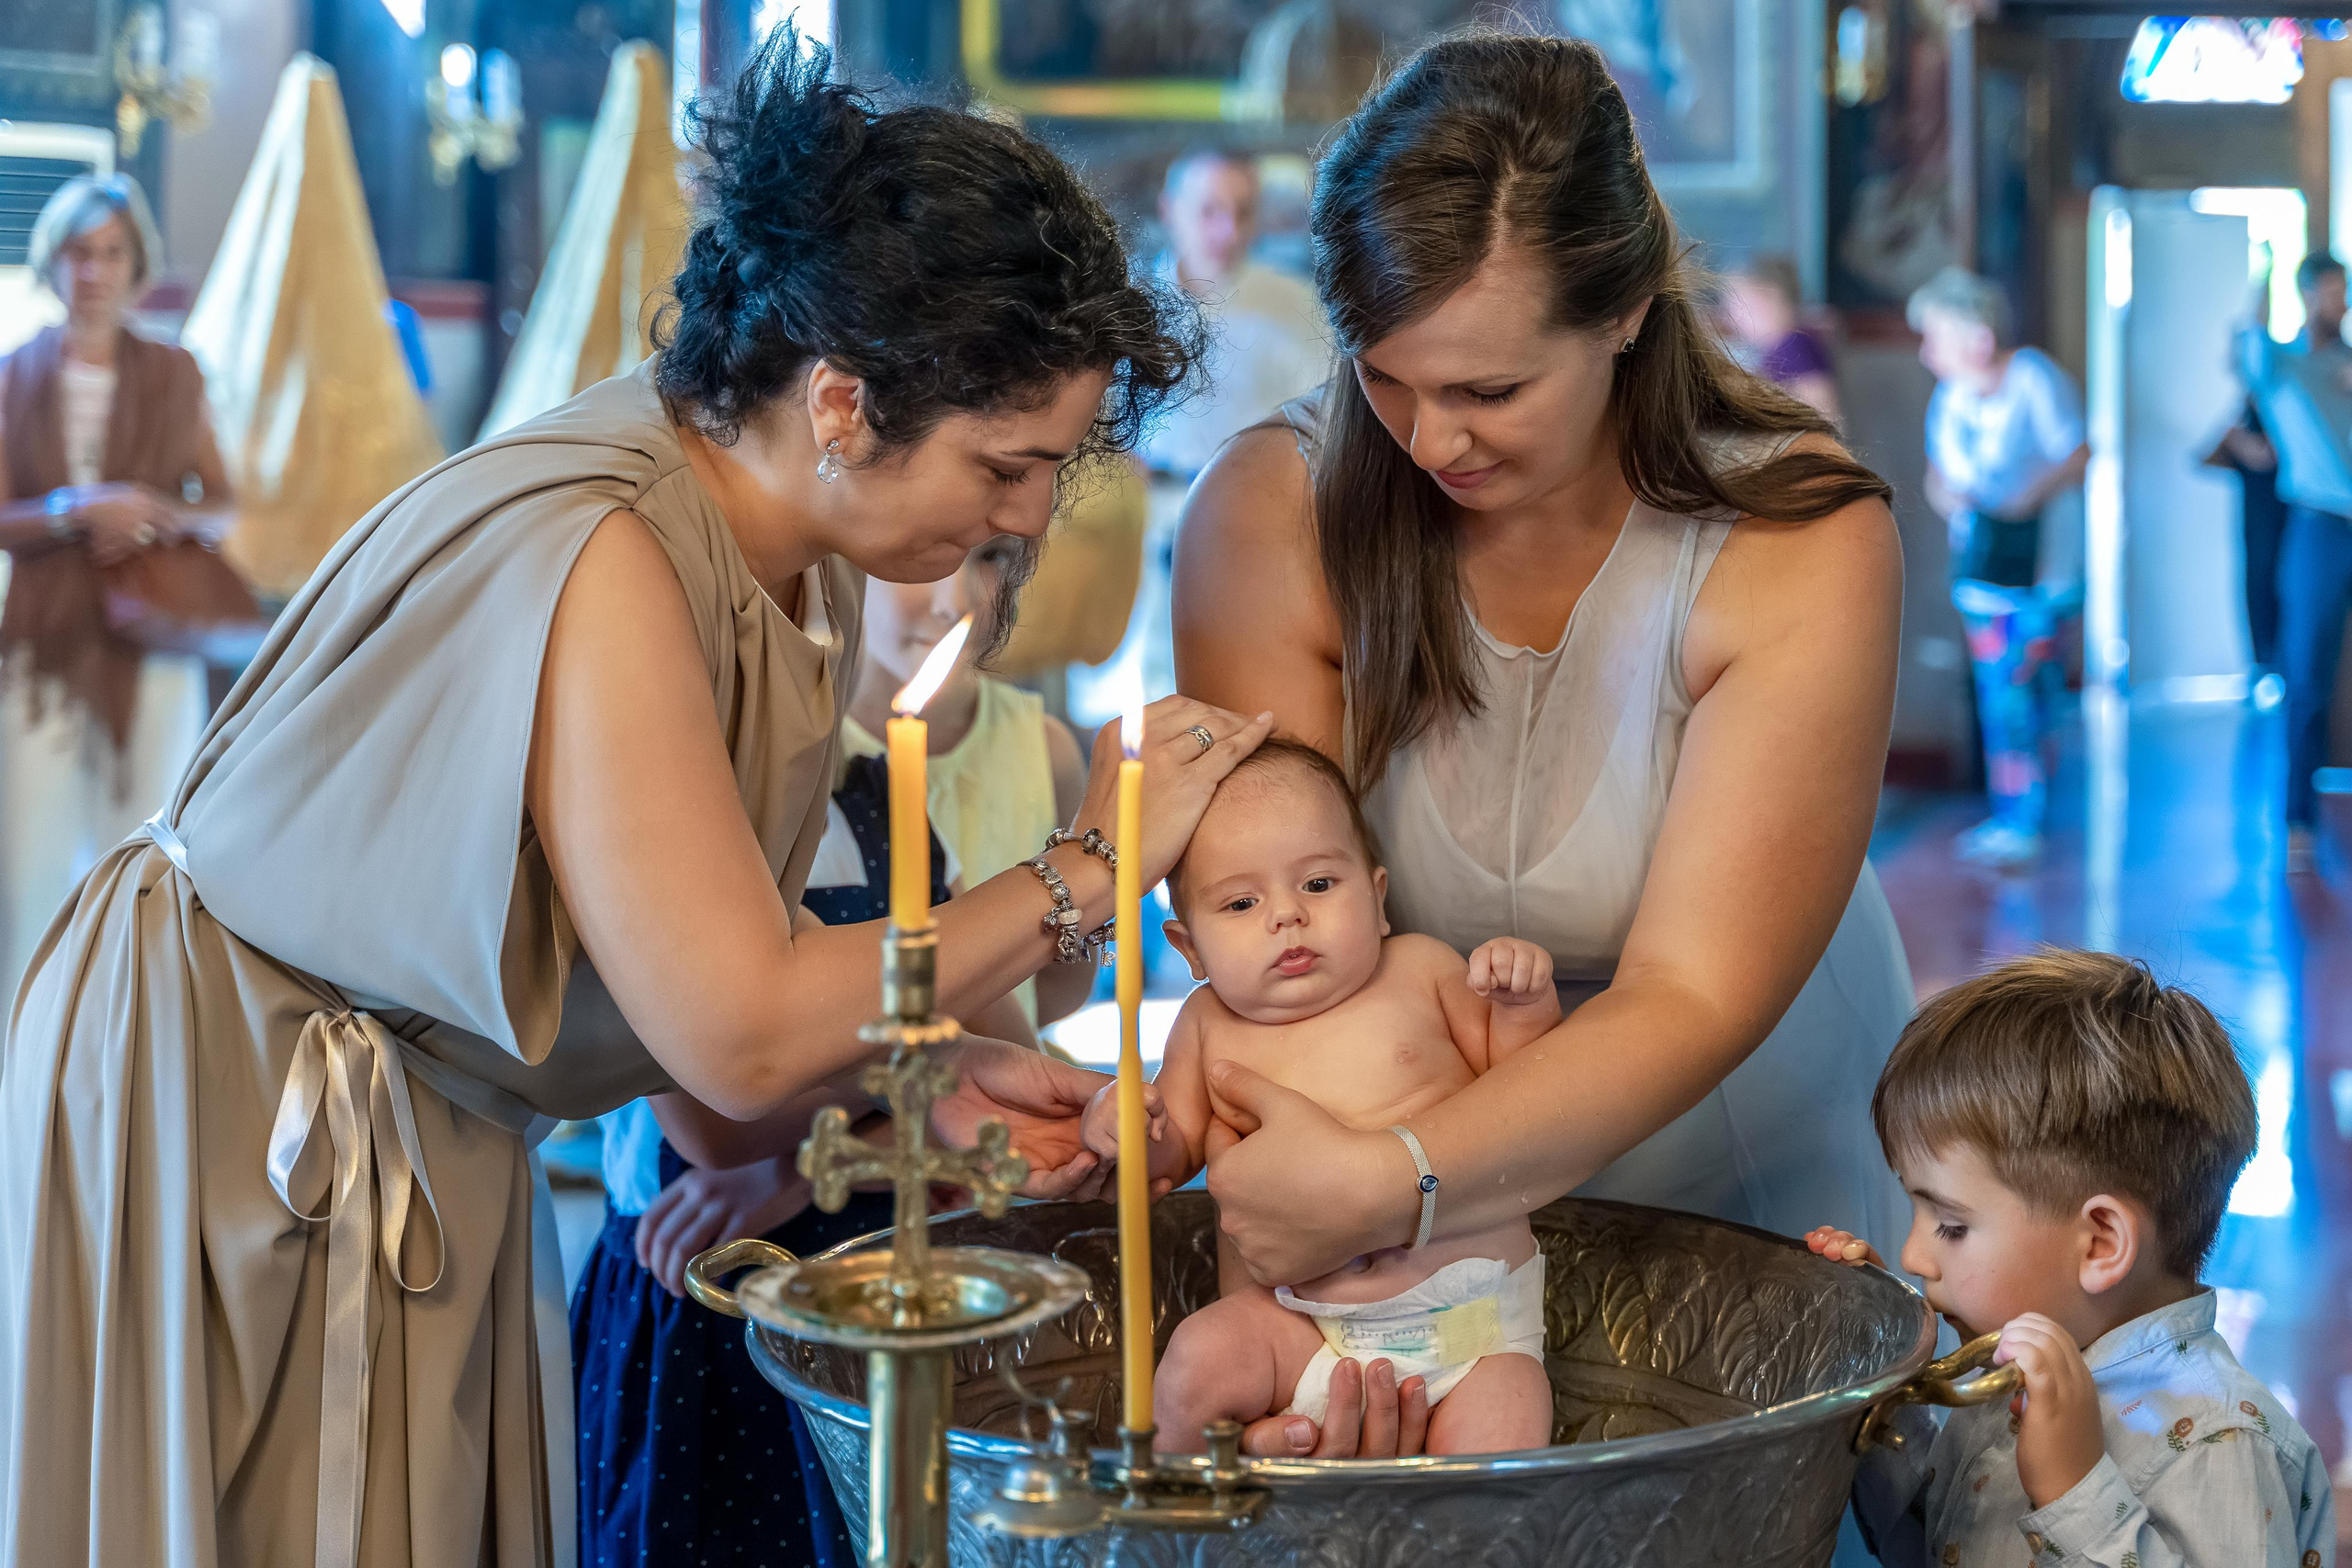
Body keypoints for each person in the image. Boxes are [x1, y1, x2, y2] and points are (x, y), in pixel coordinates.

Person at [0, 32, 1275, 1568]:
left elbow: (716, 1018)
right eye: (1009, 465)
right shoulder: (615, 550)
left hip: (409, 1097)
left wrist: (920, 1091)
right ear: (843, 400)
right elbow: (739, 1022)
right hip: (249, 1092)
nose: (1023, 519)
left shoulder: (767, 548)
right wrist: (1088, 862)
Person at [1172, 34, 1917, 1466]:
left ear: (1628, 308)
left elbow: (1693, 988)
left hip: (1734, 1135)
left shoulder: (1798, 533)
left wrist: (1401, 1177)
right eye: (1387, 378)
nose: (1431, 438)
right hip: (1376, 1157)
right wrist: (1338, 1274)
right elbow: (1270, 945)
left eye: (1492, 390)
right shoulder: (1268, 513)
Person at [574, 748, 1035, 1568]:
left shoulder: (883, 808)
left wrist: (797, 1167)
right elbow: (715, 1119)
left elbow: (1005, 1048)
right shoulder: (652, 819)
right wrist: (921, 1077)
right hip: (709, 1297)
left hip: (891, 1275)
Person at [1082, 741, 1559, 1455]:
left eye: (1318, 884)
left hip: (1474, 1325)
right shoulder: (1207, 1025)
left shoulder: (1424, 970)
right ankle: (1172, 1521)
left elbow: (1529, 1099)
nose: (1287, 916)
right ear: (1189, 949)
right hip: (1298, 1329)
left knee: (1505, 1436)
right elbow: (1168, 1149)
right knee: (1195, 1357)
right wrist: (1124, 1122)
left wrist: (1523, 1006)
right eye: (1242, 902)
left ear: (1378, 895)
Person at [1809, 951, 2335, 1567]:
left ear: (2101, 1243)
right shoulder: (2024, 1365)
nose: (1912, 1253)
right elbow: (1936, 1547)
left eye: (1951, 1224)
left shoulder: (2223, 1444)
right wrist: (1874, 1385)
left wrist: (2075, 1493)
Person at [0, 173, 236, 998]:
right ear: (52, 262)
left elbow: (224, 508)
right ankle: (21, 1063)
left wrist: (149, 512)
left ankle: (119, 1051)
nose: (92, 271)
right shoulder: (13, 373)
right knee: (29, 868)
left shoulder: (175, 373)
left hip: (151, 647)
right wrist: (75, 508)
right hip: (42, 649)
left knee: (141, 864)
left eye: (110, 253)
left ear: (136, 265)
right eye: (77, 252)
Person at [842, 538, 1091, 1028]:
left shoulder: (1045, 751)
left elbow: (1060, 985)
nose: (954, 603)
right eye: (924, 554)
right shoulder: (800, 751)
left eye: (991, 557)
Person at [1910, 265, 2088, 869]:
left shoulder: (2034, 378)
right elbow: (1938, 473)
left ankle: (2031, 813)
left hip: (2044, 567)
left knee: (2032, 693)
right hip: (1981, 569)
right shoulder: (1950, 397)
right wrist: (1950, 499)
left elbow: (2079, 453)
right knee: (2000, 696)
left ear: (1977, 337)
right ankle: (2016, 816)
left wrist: (2023, 500)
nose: (1928, 352)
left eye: (1936, 336)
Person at [2239, 253, 2352, 876]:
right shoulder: (2282, 366)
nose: (2337, 303)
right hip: (2318, 528)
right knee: (2305, 674)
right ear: (2308, 295)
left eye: (2344, 292)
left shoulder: (2347, 364)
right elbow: (2249, 337)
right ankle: (2298, 817)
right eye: (2328, 292)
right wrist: (2265, 268)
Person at [1136, 149, 1329, 479]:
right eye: (1209, 210)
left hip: (1253, 495)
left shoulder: (1297, 302)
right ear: (1169, 210)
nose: (1229, 232)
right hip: (1140, 504)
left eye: (1243, 212)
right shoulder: (1129, 304)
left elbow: (1326, 416)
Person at [1720, 254, 1842, 424]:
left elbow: (1825, 414)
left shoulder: (1793, 346)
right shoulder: (1783, 347)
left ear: (1771, 298)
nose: (1732, 316)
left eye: (1738, 305)